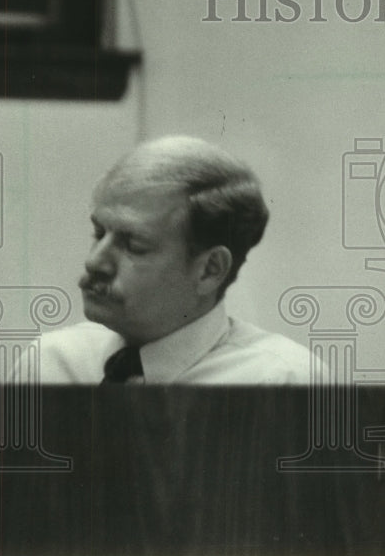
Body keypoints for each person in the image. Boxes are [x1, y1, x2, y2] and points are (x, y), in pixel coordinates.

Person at [29, 136, 316, 384]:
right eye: (99, 232)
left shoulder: (284, 382)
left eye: (134, 246)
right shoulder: (50, 364)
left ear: (209, 270)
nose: (95, 262)